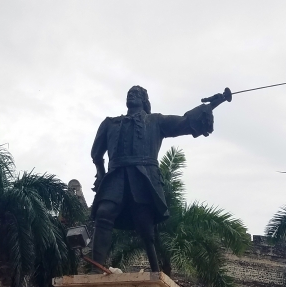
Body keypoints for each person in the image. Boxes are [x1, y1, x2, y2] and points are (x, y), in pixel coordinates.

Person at [90, 85, 216, 272]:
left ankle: (156, 270)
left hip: (143, 176)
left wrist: (213, 104)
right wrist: (101, 174)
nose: (132, 95)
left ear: (144, 100)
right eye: (129, 94)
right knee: (104, 213)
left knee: (145, 225)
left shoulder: (156, 121)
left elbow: (183, 122)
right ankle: (96, 267)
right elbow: (96, 154)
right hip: (116, 174)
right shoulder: (110, 123)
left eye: (137, 94)